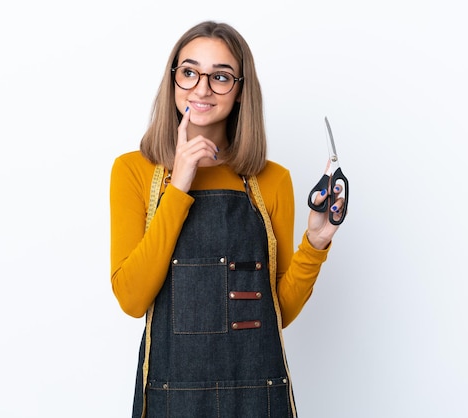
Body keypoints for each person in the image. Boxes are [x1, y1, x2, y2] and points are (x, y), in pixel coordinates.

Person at [110, 20, 344, 418]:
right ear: (173, 80)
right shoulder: (133, 171)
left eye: (220, 77)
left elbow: (277, 314)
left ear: (239, 91)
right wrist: (178, 187)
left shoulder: (272, 180)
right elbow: (132, 300)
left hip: (256, 397)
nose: (201, 89)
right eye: (189, 72)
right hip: (172, 397)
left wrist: (316, 243)